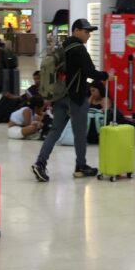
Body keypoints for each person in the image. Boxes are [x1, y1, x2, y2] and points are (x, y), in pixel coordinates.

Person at [30, 19, 109, 182]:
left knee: (54, 131)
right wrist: (106, 76)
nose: (88, 35)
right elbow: (90, 72)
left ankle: (40, 163)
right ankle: (80, 165)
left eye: (89, 32)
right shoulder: (79, 49)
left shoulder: (63, 47)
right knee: (79, 133)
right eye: (86, 31)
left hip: (60, 96)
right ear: (76, 31)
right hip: (76, 97)